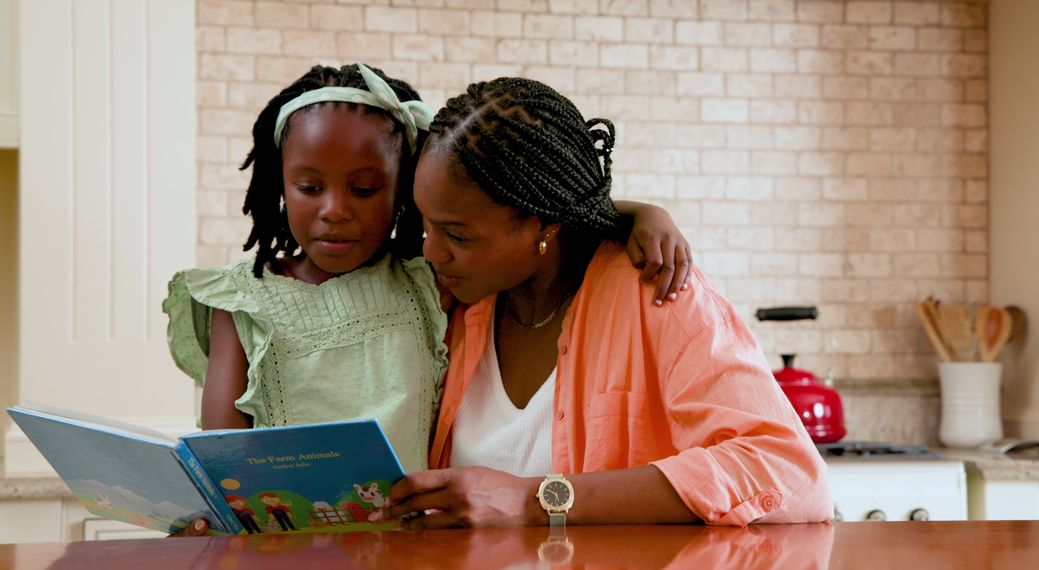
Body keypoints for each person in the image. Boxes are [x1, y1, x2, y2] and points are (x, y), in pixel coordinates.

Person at [163, 64, 694, 477]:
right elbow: (223, 460)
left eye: (365, 189)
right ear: (278, 184)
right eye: (309, 187)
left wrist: (634, 213)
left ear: (405, 191)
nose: (334, 209)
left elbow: (519, 212)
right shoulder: (240, 299)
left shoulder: (428, 278)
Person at [383, 77, 833, 527]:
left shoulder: (658, 292)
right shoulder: (450, 304)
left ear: (544, 225)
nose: (431, 251)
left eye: (457, 236)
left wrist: (536, 501)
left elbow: (787, 474)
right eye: (428, 226)